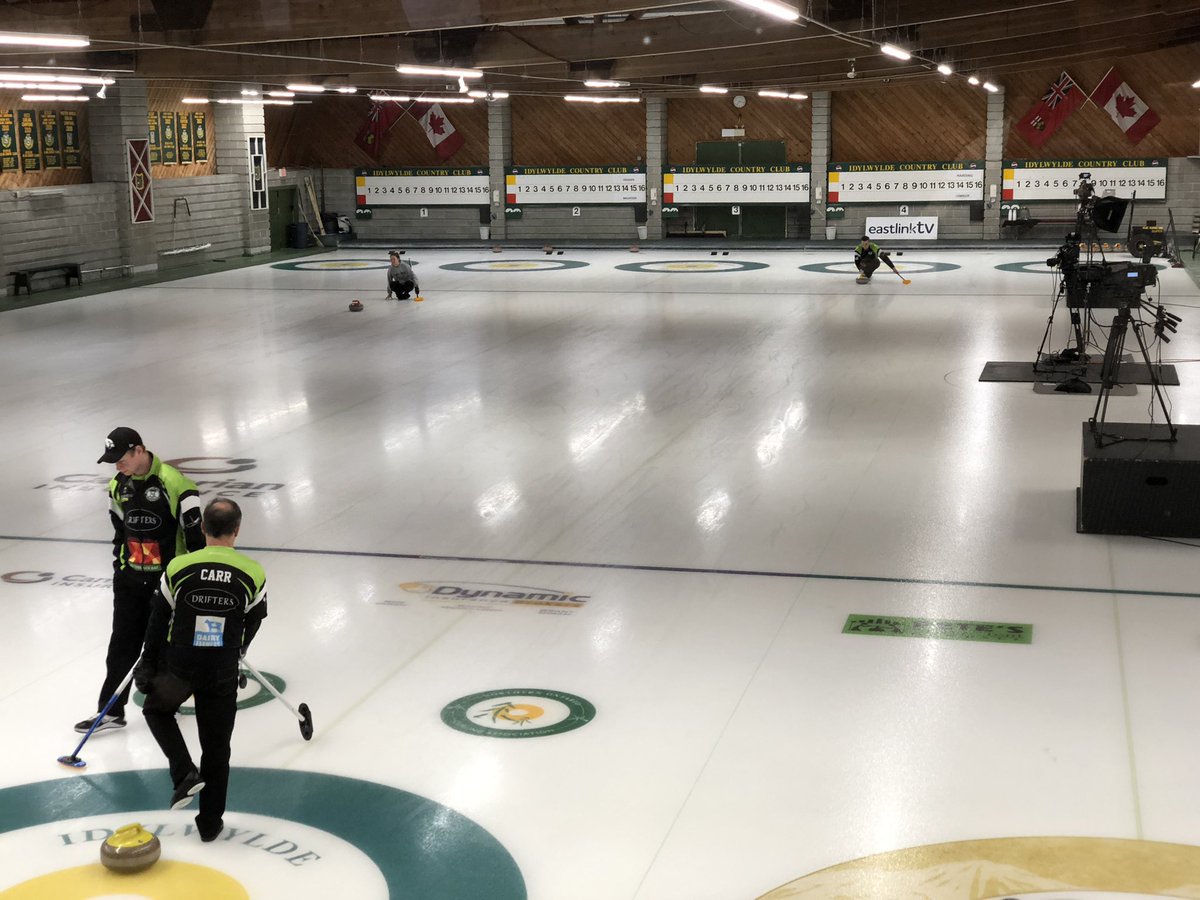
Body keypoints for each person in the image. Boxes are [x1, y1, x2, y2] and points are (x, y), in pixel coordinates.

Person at [135, 497, 267, 842]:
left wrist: (149, 663)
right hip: (221, 668)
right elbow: (255, 619)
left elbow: (158, 618)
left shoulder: (179, 567)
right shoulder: (253, 572)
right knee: (217, 747)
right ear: (237, 531)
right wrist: (238, 650)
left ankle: (183, 773)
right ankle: (209, 824)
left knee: (156, 710)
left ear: (204, 528)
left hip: (181, 664)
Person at [76, 427, 204, 734]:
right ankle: (110, 711)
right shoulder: (117, 486)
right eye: (113, 460)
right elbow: (120, 533)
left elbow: (196, 541)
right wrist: (121, 571)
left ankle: (165, 707)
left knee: (164, 647)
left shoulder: (178, 485)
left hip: (167, 584)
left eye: (121, 458)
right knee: (121, 645)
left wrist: (188, 581)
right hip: (130, 581)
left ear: (140, 450)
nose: (117, 465)